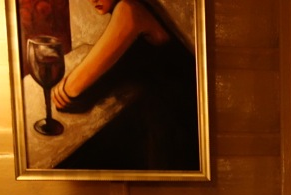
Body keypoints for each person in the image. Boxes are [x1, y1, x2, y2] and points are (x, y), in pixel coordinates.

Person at [50, 0, 199, 170]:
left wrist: (68, 86)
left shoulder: (128, 10)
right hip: (165, 118)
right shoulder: (139, 6)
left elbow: (71, 89)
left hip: (178, 129)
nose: (93, 0)